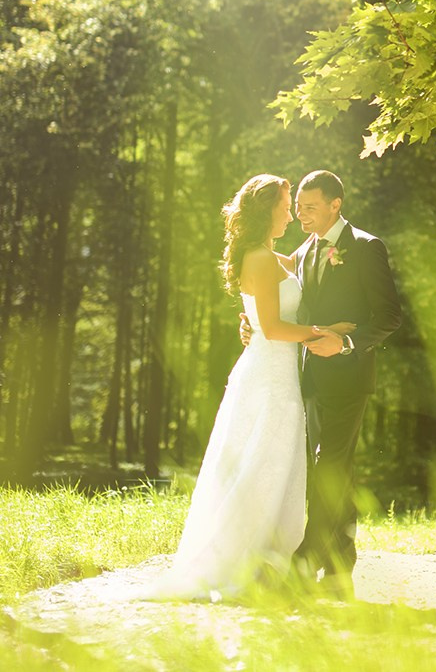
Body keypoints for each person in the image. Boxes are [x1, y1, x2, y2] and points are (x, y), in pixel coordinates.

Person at [144, 173, 354, 600]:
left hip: (283, 376)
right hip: (267, 377)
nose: (291, 212)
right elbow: (274, 328)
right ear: (266, 211)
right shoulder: (258, 258)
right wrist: (325, 330)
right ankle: (241, 560)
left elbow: (288, 291)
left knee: (279, 465)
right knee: (260, 464)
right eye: (284, 204)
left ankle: (270, 561)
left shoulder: (279, 256)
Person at [240, 169, 402, 599]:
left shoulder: (367, 248)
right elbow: (278, 297)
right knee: (332, 470)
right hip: (308, 378)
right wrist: (252, 323)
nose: (302, 215)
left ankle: (303, 563)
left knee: (329, 466)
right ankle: (337, 570)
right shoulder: (306, 249)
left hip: (349, 376)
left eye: (310, 208)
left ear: (336, 205)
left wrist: (346, 342)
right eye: (298, 208)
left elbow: (389, 317)